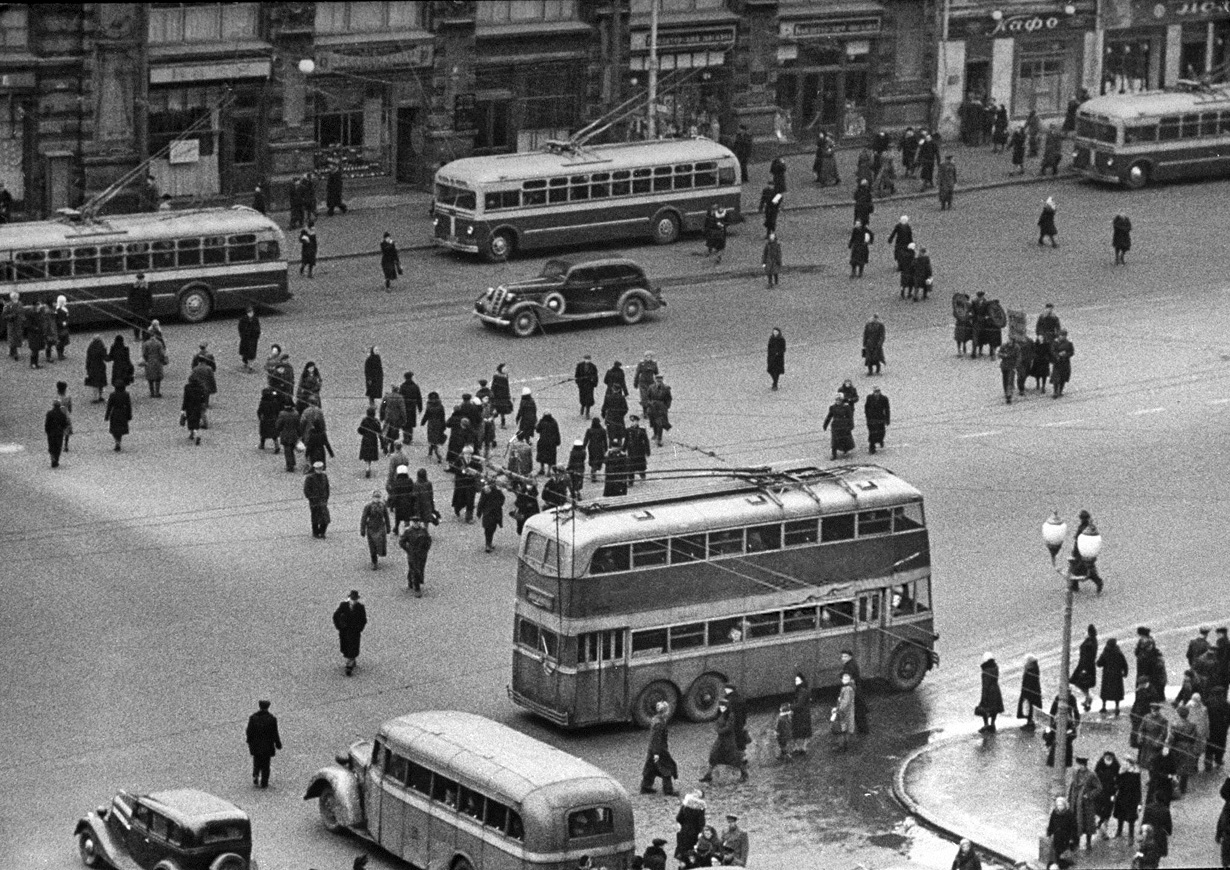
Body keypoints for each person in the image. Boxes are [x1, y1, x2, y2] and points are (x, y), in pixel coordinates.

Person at [640, 700, 677, 794]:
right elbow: (656, 739)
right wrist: (656, 753)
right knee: (666, 769)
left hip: (652, 749)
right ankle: (668, 790)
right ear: (665, 711)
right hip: (660, 750)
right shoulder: (659, 723)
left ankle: (645, 787)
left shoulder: (655, 719)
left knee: (650, 768)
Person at [244, 700, 282, 789]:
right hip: (267, 746)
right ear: (268, 707)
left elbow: (249, 731)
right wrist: (278, 744)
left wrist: (249, 741)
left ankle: (256, 774)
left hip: (256, 745)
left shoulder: (253, 718)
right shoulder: (272, 719)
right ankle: (264, 782)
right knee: (266, 764)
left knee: (256, 761)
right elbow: (275, 733)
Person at [1068, 755, 1103, 851]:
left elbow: (1099, 788)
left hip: (1086, 805)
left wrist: (1089, 795)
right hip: (1075, 802)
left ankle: (1088, 842)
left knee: (1088, 824)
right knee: (1075, 823)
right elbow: (1072, 786)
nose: (1077, 766)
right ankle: (1076, 842)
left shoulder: (1091, 775)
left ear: (1083, 765)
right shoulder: (1075, 773)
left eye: (1079, 765)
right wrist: (1069, 799)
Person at [332, 590, 367, 676]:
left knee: (353, 646)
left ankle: (349, 666)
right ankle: (351, 659)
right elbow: (335, 616)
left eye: (354, 599)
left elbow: (363, 619)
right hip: (345, 630)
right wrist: (339, 626)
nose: (353, 600)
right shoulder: (343, 605)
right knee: (346, 647)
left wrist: (359, 628)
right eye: (352, 599)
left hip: (355, 631)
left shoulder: (360, 607)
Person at [399, 520, 432, 597]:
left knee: (420, 568)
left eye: (418, 522)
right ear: (412, 523)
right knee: (415, 569)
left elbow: (428, 540)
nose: (416, 524)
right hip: (412, 554)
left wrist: (426, 549)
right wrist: (408, 549)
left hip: (422, 554)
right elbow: (402, 542)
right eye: (415, 522)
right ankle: (417, 588)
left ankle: (410, 580)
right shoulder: (408, 531)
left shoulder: (423, 531)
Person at [1113, 757, 1142, 842]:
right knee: (1120, 816)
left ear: (1130, 764)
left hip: (1132, 799)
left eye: (1126, 763)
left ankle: (1131, 836)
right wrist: (1119, 774)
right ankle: (1119, 831)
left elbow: (1138, 788)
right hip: (1122, 797)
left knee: (1131, 818)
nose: (1124, 765)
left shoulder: (1136, 774)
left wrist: (1139, 802)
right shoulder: (1122, 772)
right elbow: (1117, 785)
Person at [1098, 637, 1129, 716]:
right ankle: (1117, 707)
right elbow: (1124, 664)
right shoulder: (1119, 653)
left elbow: (1099, 663)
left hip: (1107, 676)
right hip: (1117, 676)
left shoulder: (1105, 653)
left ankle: (1104, 706)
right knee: (1117, 693)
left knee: (1105, 692)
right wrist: (1125, 673)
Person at [1071, 624, 1098, 712]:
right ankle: (1087, 698)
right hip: (1087, 665)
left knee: (1078, 682)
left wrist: (1084, 669)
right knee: (1084, 683)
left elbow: (1087, 657)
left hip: (1084, 665)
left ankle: (1088, 697)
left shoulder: (1089, 643)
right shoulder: (1093, 640)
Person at [1046, 796, 1078, 867]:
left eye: (1061, 805)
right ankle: (1060, 864)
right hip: (1057, 837)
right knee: (1057, 852)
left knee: (1064, 853)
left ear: (1064, 805)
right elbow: (1051, 823)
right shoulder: (1054, 812)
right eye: (1058, 805)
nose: (1059, 807)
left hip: (1066, 837)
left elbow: (1074, 827)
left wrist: (1072, 838)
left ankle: (1065, 865)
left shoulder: (1069, 814)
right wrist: (1049, 832)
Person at [822, 392, 855, 461]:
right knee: (834, 441)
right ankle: (834, 454)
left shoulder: (846, 407)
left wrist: (851, 425)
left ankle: (845, 449)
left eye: (839, 400)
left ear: (842, 400)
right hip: (835, 426)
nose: (838, 401)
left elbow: (850, 417)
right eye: (837, 400)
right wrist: (825, 424)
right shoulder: (832, 407)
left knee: (845, 439)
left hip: (844, 425)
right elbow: (829, 416)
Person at [675, 790, 706, 861]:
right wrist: (701, 831)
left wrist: (683, 824)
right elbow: (701, 822)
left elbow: (679, 818)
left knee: (682, 851)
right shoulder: (701, 806)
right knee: (692, 852)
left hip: (684, 830)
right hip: (695, 832)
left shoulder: (685, 804)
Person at [475, 479, 505, 553]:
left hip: (495, 513)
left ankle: (489, 543)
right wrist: (479, 512)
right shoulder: (486, 492)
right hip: (488, 513)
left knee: (492, 529)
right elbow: (481, 502)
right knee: (488, 529)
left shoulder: (497, 491)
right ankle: (488, 545)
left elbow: (502, 499)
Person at [978, 652, 1004, 733]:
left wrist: (983, 697)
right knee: (994, 708)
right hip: (996, 690)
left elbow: (985, 685)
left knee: (984, 707)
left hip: (989, 691)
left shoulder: (985, 671)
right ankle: (992, 724)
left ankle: (986, 725)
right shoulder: (996, 668)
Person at [304, 462, 331, 538]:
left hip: (323, 501)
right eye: (317, 469)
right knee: (315, 518)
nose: (319, 470)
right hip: (314, 501)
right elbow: (306, 490)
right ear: (315, 469)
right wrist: (311, 498)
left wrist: (326, 498)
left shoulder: (324, 476)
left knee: (325, 518)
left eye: (320, 469)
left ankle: (322, 532)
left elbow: (327, 487)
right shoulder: (310, 478)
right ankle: (315, 533)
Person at [643, 374, 672, 447]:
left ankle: (659, 438)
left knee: (660, 423)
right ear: (655, 380)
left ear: (662, 380)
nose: (659, 382)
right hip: (652, 407)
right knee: (653, 422)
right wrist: (649, 404)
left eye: (660, 380)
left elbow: (669, 398)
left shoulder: (666, 388)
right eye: (657, 380)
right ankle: (655, 433)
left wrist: (666, 407)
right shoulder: (651, 387)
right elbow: (648, 396)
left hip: (661, 408)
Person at [103, 382, 133, 452]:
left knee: (114, 429)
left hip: (115, 413)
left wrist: (107, 416)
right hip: (123, 413)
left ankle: (117, 442)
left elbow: (109, 406)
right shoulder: (126, 395)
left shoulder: (112, 395)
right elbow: (128, 406)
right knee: (120, 429)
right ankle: (118, 441)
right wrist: (129, 415)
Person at [1017, 653, 1043, 731]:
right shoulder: (1035, 669)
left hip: (1029, 691)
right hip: (1033, 691)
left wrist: (1024, 692)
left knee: (1029, 707)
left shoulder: (1030, 670)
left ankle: (1030, 723)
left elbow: (1027, 681)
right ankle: (1030, 721)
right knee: (1031, 707)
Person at [832, 672, 857, 751]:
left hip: (844, 712)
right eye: (844, 679)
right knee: (846, 728)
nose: (844, 680)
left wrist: (837, 709)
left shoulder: (847, 689)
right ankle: (845, 745)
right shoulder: (850, 687)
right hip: (848, 712)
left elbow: (845, 702)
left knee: (842, 729)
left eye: (846, 679)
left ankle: (842, 746)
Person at [181, 373, 207, 446]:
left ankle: (193, 434)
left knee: (190, 421)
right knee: (196, 420)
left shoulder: (187, 387)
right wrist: (203, 404)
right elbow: (203, 397)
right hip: (198, 406)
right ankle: (195, 434)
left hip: (189, 407)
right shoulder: (201, 387)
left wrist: (183, 409)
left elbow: (185, 398)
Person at [790, 671, 813, 754]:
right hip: (804, 714)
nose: (795, 682)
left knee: (799, 732)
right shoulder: (803, 689)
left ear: (801, 681)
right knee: (804, 732)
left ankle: (799, 748)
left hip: (800, 715)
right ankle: (803, 748)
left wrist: (790, 707)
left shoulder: (801, 691)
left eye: (797, 681)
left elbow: (799, 704)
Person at [356, 407, 382, 478]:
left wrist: (364, 433)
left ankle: (367, 467)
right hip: (373, 439)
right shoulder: (376, 421)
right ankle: (368, 466)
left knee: (366, 454)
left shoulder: (364, 421)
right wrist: (383, 444)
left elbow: (360, 430)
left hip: (365, 439)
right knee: (370, 454)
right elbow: (379, 432)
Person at [422, 391, 446, 463]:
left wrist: (423, 422)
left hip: (431, 424)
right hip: (438, 424)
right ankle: (430, 452)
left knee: (432, 440)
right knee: (435, 439)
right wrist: (444, 426)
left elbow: (426, 415)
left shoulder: (429, 406)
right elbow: (443, 417)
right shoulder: (440, 406)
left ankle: (438, 455)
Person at [44, 399, 69, 468]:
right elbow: (65, 424)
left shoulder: (49, 413)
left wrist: (47, 431)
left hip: (51, 433)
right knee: (58, 447)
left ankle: (52, 459)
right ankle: (56, 460)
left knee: (51, 447)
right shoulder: (62, 415)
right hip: (59, 433)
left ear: (53, 406)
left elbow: (47, 423)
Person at [864, 386, 889, 455]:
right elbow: (866, 407)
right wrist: (867, 416)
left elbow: (887, 409)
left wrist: (887, 419)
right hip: (871, 418)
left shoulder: (884, 398)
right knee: (872, 433)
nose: (877, 393)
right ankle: (872, 447)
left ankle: (880, 440)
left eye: (878, 391)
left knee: (881, 432)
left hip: (880, 417)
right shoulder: (869, 397)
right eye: (875, 392)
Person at [127, 273, 152, 340]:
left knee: (145, 323)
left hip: (144, 307)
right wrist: (131, 306)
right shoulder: (134, 286)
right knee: (136, 323)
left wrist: (150, 307)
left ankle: (145, 336)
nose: (141, 280)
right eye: (139, 279)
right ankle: (137, 336)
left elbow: (149, 297)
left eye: (141, 279)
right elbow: (130, 297)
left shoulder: (146, 286)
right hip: (136, 307)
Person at [1051, 329, 1075, 399]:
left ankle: (1060, 391)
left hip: (1065, 363)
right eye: (1061, 335)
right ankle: (1055, 392)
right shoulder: (1055, 342)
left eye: (1064, 336)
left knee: (1063, 378)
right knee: (1056, 378)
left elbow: (1072, 352)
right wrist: (1058, 355)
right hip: (1057, 362)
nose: (1062, 337)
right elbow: (1052, 351)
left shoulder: (1069, 343)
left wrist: (1065, 354)